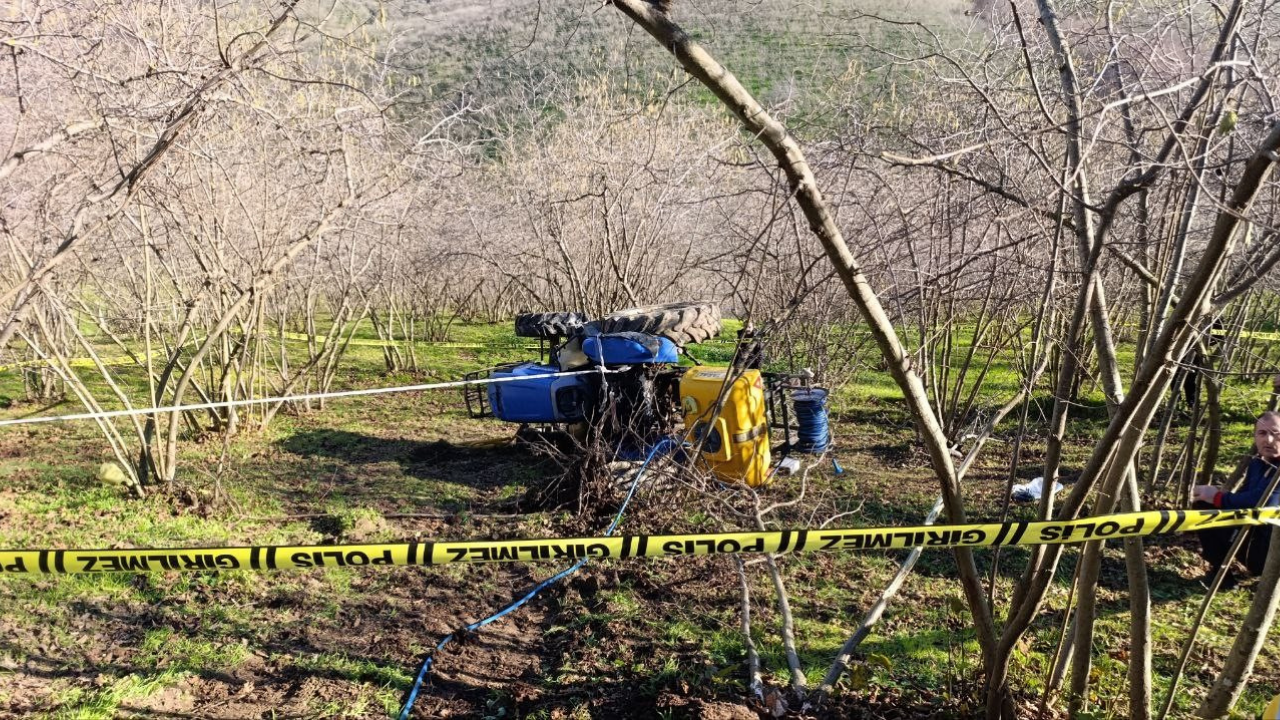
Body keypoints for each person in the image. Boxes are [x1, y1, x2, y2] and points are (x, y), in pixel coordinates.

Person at [1192, 411, 1280, 583]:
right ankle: (1221, 574)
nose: (1268, 440)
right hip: (1254, 539)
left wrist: (1218, 497)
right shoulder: (1257, 463)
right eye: (1262, 433)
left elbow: (1266, 502)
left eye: (1276, 434)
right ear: (1255, 436)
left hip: (1273, 552)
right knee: (1203, 504)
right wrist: (1216, 496)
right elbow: (1244, 496)